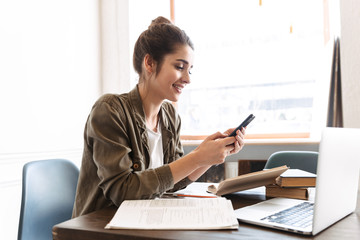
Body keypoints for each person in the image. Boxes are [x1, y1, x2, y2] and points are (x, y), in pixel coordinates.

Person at [72, 16, 246, 217]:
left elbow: (172, 183)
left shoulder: (170, 116)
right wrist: (197, 157)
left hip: (141, 223)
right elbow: (122, 191)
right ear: (149, 63)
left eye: (190, 70)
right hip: (99, 229)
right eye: (180, 67)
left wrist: (209, 157)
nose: (188, 79)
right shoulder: (110, 110)